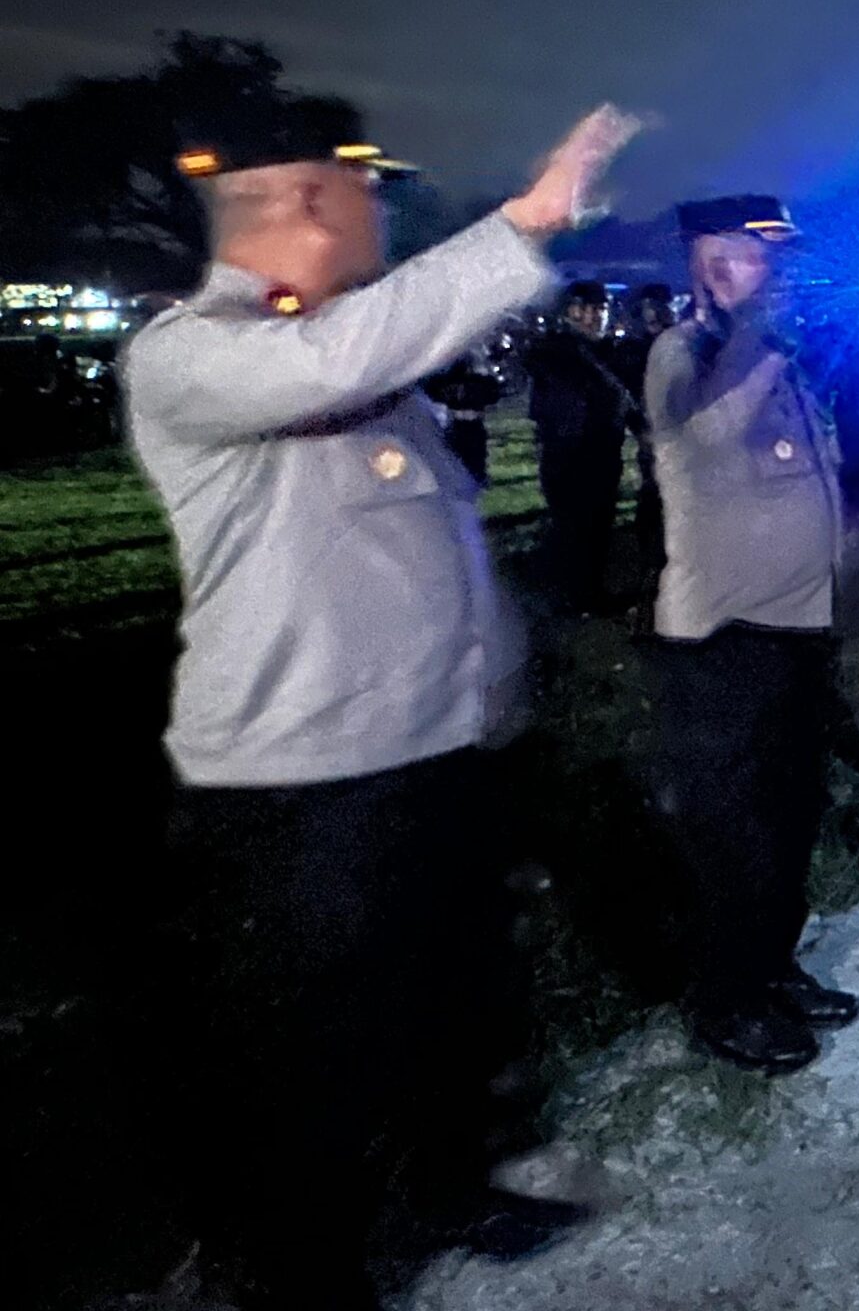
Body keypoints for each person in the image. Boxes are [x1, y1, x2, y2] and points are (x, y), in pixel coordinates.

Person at [127, 100, 639, 1309]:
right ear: (309, 197)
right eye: (369, 191)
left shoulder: (348, 356)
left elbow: (431, 535)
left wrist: (495, 686)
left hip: (430, 753)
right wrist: (524, 224)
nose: (383, 215)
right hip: (308, 783)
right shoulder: (193, 354)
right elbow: (335, 363)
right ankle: (300, 1274)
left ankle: (447, 1188)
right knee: (318, 1051)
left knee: (450, 1004)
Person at [647, 195, 859, 1074]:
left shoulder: (783, 354)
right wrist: (761, 332)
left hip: (797, 632)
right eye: (755, 256)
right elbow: (708, 434)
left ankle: (772, 966)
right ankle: (727, 1000)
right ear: (712, 265)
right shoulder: (684, 355)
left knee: (790, 816)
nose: (777, 273)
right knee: (735, 836)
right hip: (724, 641)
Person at [524, 280, 630, 613]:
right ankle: (575, 596)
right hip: (570, 456)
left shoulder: (603, 353)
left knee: (597, 526)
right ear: (569, 313)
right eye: (583, 309)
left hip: (602, 452)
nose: (592, 317)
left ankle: (587, 593)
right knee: (576, 528)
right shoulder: (557, 352)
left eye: (599, 309)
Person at [619, 281, 678, 579]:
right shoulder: (634, 349)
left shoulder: (683, 343)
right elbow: (626, 394)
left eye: (659, 307)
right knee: (653, 491)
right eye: (649, 308)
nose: (654, 313)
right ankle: (651, 555)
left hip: (681, 432)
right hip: (652, 432)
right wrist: (640, 428)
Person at [423, 343, 507, 484]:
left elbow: (492, 391)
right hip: (456, 422)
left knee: (470, 456)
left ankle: (474, 477)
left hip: (467, 422)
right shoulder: (445, 378)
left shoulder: (474, 373)